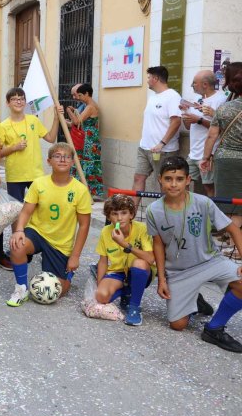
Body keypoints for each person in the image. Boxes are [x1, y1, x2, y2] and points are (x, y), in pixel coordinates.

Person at [148, 156, 242, 353]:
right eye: (168, 179)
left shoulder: (203, 203)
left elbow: (233, 229)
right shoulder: (153, 210)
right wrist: (162, 279)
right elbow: (158, 246)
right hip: (179, 271)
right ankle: (194, 301)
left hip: (210, 262)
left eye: (179, 179)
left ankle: (214, 328)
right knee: (178, 325)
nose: (173, 184)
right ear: (160, 179)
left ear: (188, 180)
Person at [7, 143, 92, 306]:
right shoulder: (39, 184)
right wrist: (19, 230)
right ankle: (21, 288)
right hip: (37, 233)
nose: (62, 159)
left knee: (57, 291)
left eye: (67, 156)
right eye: (57, 156)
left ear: (73, 162)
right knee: (17, 245)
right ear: (49, 161)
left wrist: (75, 256)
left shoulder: (80, 190)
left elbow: (84, 225)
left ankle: (67, 275)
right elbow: (25, 211)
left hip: (60, 244)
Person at [0, 87, 62, 270]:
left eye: (21, 99)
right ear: (8, 103)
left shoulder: (33, 120)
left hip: (36, 174)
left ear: (25, 102)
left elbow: (50, 137)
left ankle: (40, 244)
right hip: (16, 175)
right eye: (15, 99)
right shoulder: (3, 126)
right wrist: (14, 147)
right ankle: (17, 246)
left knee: (39, 211)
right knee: (17, 213)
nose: (18, 102)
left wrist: (56, 117)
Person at [94, 195, 155, 326]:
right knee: (101, 296)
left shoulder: (142, 229)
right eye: (114, 214)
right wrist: (100, 283)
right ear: (109, 217)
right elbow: (103, 261)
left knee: (139, 262)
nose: (119, 218)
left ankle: (134, 307)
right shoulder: (106, 231)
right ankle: (126, 292)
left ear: (131, 214)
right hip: (118, 272)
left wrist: (124, 244)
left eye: (124, 213)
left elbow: (150, 258)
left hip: (139, 271)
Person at [133, 66, 182, 206]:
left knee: (165, 183)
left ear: (155, 79)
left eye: (149, 78)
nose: (147, 81)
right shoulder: (152, 97)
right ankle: (130, 214)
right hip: (145, 148)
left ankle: (166, 216)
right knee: (138, 178)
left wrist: (162, 143)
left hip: (164, 150)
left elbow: (176, 121)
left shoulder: (173, 96)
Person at [202, 63, 242, 232]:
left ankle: (234, 245)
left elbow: (212, 136)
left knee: (231, 204)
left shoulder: (224, 108)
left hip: (227, 160)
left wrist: (205, 158)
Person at [181, 70, 226, 196]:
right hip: (193, 153)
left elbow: (222, 129)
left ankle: (212, 214)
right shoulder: (196, 99)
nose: (192, 85)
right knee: (183, 182)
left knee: (209, 187)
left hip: (208, 154)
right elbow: (188, 126)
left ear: (205, 84)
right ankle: (187, 211)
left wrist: (199, 120)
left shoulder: (221, 100)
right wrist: (185, 113)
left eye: (195, 83)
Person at [65, 83, 104, 199]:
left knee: (88, 163)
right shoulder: (89, 106)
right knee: (87, 163)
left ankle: (90, 192)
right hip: (89, 138)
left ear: (87, 94)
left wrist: (69, 111)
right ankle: (89, 191)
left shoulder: (90, 106)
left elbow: (77, 122)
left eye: (80, 95)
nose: (79, 98)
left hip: (89, 140)